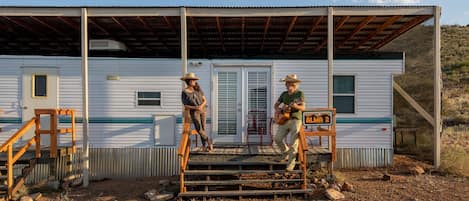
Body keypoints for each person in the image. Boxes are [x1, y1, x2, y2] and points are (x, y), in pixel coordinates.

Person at [274, 74, 305, 172]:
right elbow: (276, 105)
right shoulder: (284, 94)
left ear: (294, 84)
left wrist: (295, 106)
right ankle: (285, 152)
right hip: (284, 119)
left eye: (288, 83)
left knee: (293, 144)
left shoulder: (299, 94)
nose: (286, 85)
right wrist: (279, 109)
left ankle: (290, 166)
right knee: (277, 138)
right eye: (286, 83)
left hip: (295, 120)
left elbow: (303, 108)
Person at [181, 72, 213, 152]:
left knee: (203, 128)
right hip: (194, 112)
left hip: (203, 110)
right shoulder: (184, 92)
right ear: (189, 81)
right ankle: (208, 141)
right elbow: (185, 105)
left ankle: (204, 146)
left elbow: (204, 100)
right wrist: (195, 107)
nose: (195, 82)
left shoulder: (198, 89)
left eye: (195, 80)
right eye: (193, 80)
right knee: (199, 129)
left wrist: (200, 106)